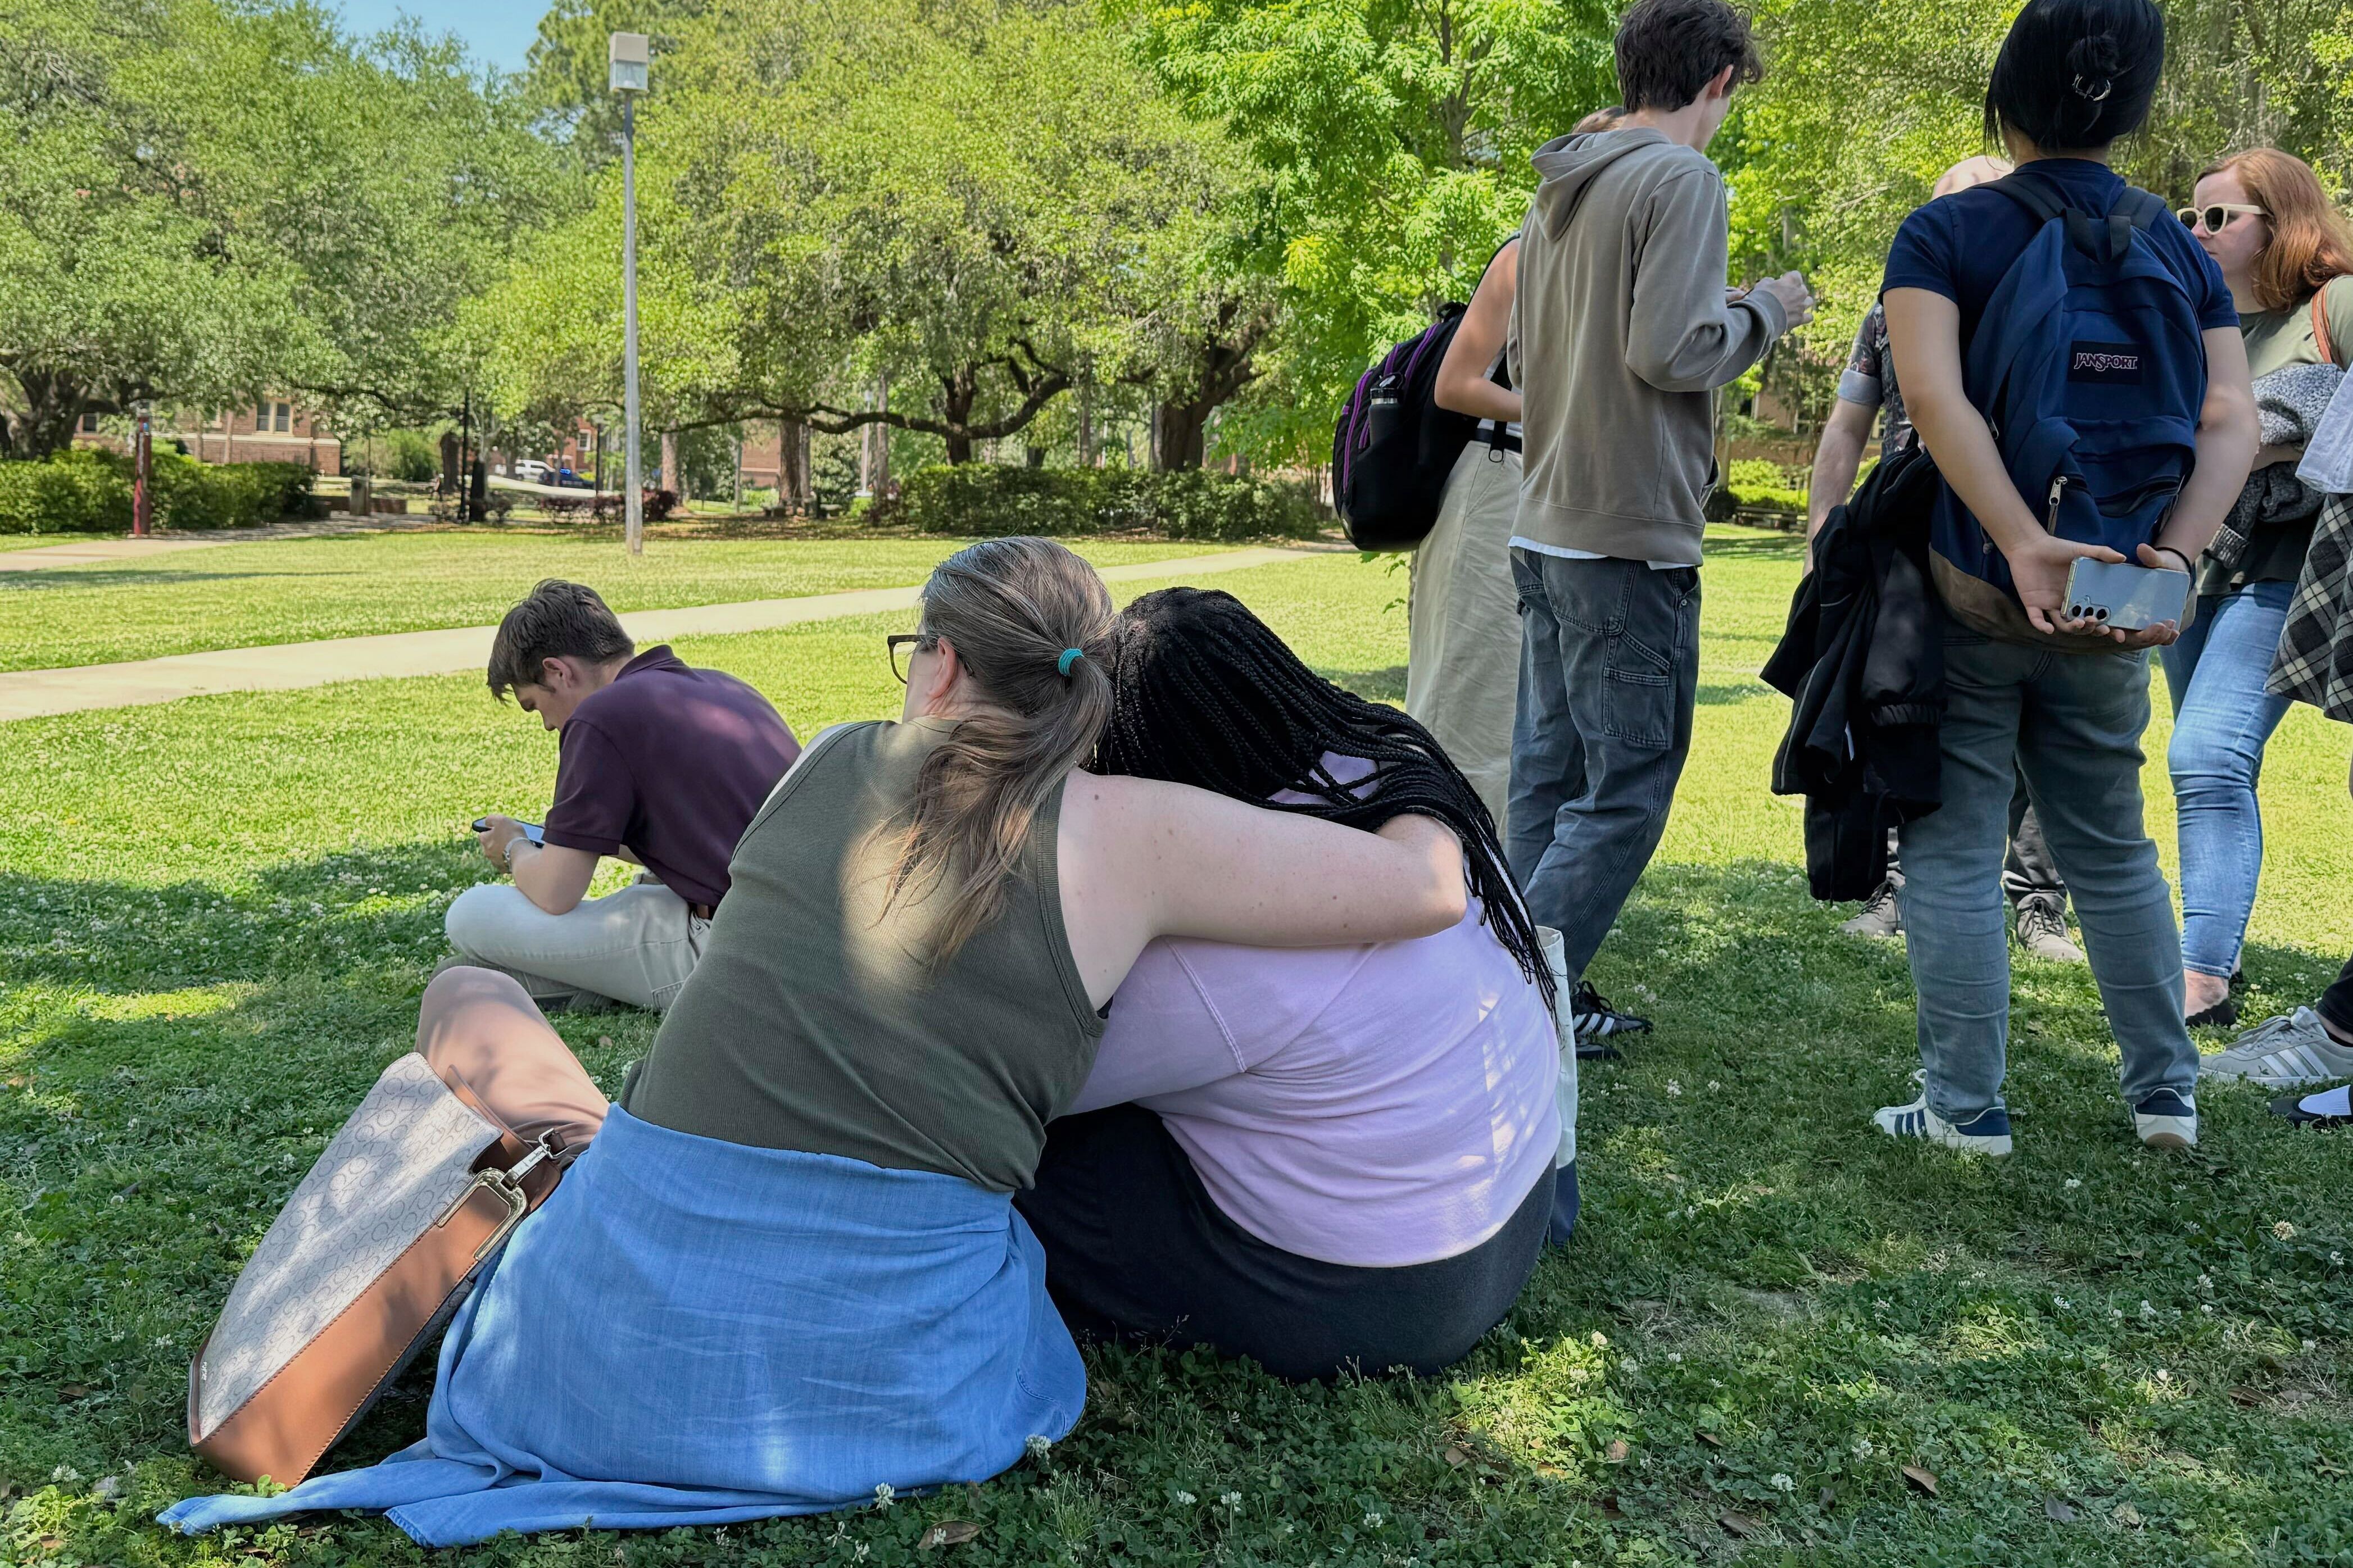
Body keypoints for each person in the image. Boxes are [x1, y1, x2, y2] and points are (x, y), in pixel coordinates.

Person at [164, 538, 1477, 1547]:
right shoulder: (1145, 834)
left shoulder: (836, 758)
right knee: (561, 1079)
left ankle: (567, 1147)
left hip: (595, 1358)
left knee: (468, 990)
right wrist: (1405, 763)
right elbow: (1426, 887)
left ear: (942, 666)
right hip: (899, 1384)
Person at [1874, 0, 2257, 1156]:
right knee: (2110, 845)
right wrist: (2174, 557)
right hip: (2118, 589)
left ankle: (1964, 1108)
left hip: (1976, 585)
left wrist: (2017, 539)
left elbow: (1930, 399)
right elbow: (2228, 419)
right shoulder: (2177, 248)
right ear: (2131, 105)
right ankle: (2164, 1095)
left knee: (1951, 843)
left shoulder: (1944, 233)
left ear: (2004, 94)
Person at [1017, 588, 1570, 1380]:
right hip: (1517, 1206)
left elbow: (1028, 1090)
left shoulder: (1207, 949)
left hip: (1393, 1295)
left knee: (1031, 1165)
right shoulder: (1395, 784)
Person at [1506, 0, 1814, 1011]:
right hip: (1626, 533)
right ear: (1717, 80)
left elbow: (1529, 357)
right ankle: (1502, 1004)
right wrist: (1767, 310)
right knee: (1627, 790)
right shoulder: (1682, 178)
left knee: (1546, 780)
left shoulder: (1559, 186)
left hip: (1544, 522)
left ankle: (1497, 995)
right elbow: (1669, 352)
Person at [1806, 155, 2083, 963]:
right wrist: (1823, 531)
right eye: (1938, 210)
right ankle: (1897, 885)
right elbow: (1846, 424)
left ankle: (2037, 901)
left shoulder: (2052, 295)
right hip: (1909, 535)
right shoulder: (1892, 305)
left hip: (2023, 533)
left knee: (2037, 719)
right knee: (1903, 707)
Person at [1418, 104, 1651, 1049]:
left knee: (1557, 743)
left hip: (1576, 502)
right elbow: (1456, 381)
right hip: (1500, 491)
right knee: (1481, 723)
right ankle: (1462, 955)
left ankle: (1533, 957)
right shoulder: (1526, 255)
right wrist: (1571, 404)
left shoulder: (1630, 268)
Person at [2158, 149, 2353, 1028]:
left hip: (2290, 567)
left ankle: (2200, 974)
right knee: (2202, 762)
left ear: (2280, 223)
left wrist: (2272, 438)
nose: (2196, 233)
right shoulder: (2195, 321)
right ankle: (2211, 950)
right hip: (2196, 561)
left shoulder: (2332, 304)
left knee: (2205, 754)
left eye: (2218, 218)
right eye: (2188, 218)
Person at [445, 580, 800, 1012]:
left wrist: (514, 846)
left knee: (470, 912)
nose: (547, 725)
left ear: (557, 671)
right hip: (803, 935)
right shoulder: (725, 687)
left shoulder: (599, 717)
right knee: (640, 895)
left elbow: (556, 892)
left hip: (735, 955)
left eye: (534, 705)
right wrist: (582, 840)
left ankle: (563, 982)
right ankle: (574, 980)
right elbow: (703, 835)